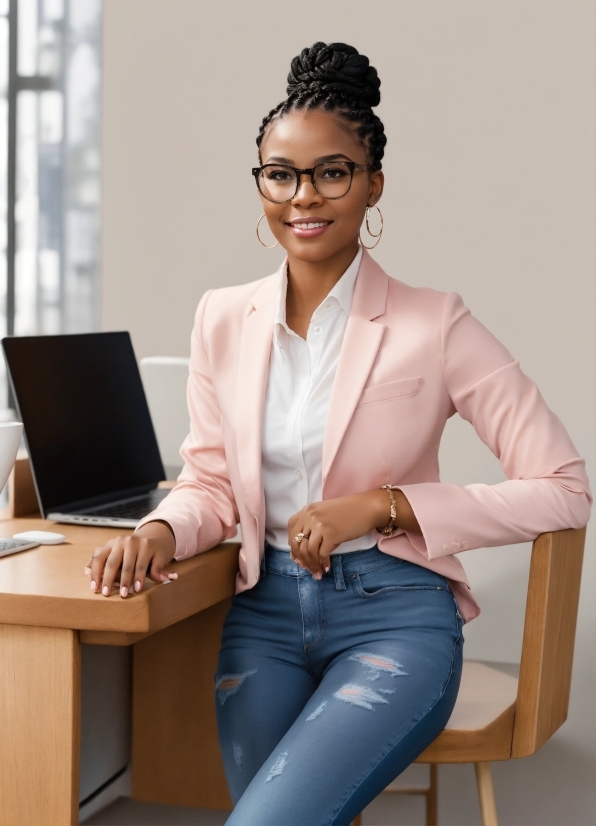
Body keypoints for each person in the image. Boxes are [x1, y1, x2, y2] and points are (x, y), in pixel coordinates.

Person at [86, 42, 591, 826]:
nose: (303, 197)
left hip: (395, 615)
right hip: (265, 620)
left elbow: (564, 488)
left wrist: (385, 507)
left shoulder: (437, 323)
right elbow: (212, 485)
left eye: (332, 171)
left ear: (372, 183)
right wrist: (160, 529)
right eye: (280, 174)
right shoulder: (223, 317)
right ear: (260, 182)